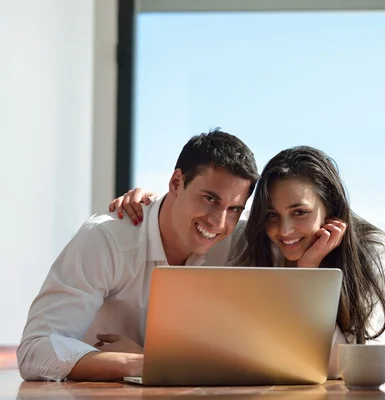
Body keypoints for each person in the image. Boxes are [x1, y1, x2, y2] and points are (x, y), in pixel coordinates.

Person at [111, 146, 385, 378]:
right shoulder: (259, 243)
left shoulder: (371, 249)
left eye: (300, 212)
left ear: (331, 209)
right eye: (272, 215)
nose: (284, 231)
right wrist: (150, 203)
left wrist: (307, 274)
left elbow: (361, 364)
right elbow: (232, 347)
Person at [17, 129, 260, 382]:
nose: (219, 223)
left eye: (234, 209)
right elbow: (34, 352)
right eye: (209, 198)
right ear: (176, 183)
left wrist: (151, 359)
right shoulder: (106, 239)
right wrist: (136, 363)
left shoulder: (237, 241)